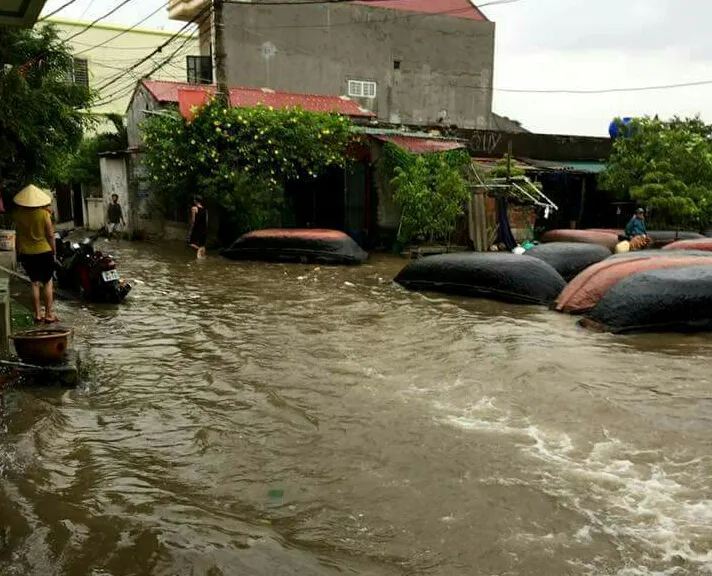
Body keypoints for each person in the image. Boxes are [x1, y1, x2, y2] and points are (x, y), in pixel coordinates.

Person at [14, 184, 58, 323]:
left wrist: (18, 251)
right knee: (48, 283)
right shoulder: (44, 214)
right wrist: (53, 250)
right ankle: (48, 315)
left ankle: (37, 314)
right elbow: (50, 235)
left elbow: (18, 236)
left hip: (27, 253)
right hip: (44, 251)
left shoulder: (19, 216)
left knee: (34, 283)